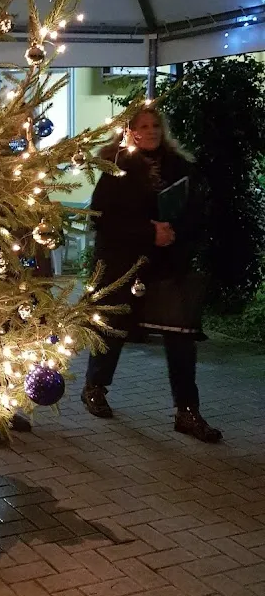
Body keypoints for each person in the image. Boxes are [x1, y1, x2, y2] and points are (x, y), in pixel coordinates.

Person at [81, 105, 221, 443]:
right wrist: (148, 231)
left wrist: (173, 232)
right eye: (143, 126)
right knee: (112, 328)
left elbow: (197, 212)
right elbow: (102, 218)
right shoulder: (116, 166)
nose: (151, 131)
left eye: (155, 125)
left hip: (167, 265)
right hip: (123, 265)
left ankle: (187, 411)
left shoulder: (179, 167)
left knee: (181, 335)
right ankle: (95, 387)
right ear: (129, 132)